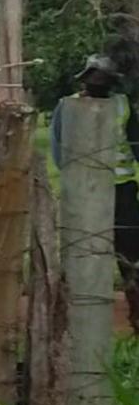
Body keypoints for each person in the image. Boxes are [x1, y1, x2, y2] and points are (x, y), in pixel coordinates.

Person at [51, 54, 139, 330]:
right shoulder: (120, 106)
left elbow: (58, 151)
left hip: (96, 192)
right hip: (113, 192)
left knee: (118, 256)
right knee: (114, 254)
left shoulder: (69, 106)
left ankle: (130, 311)